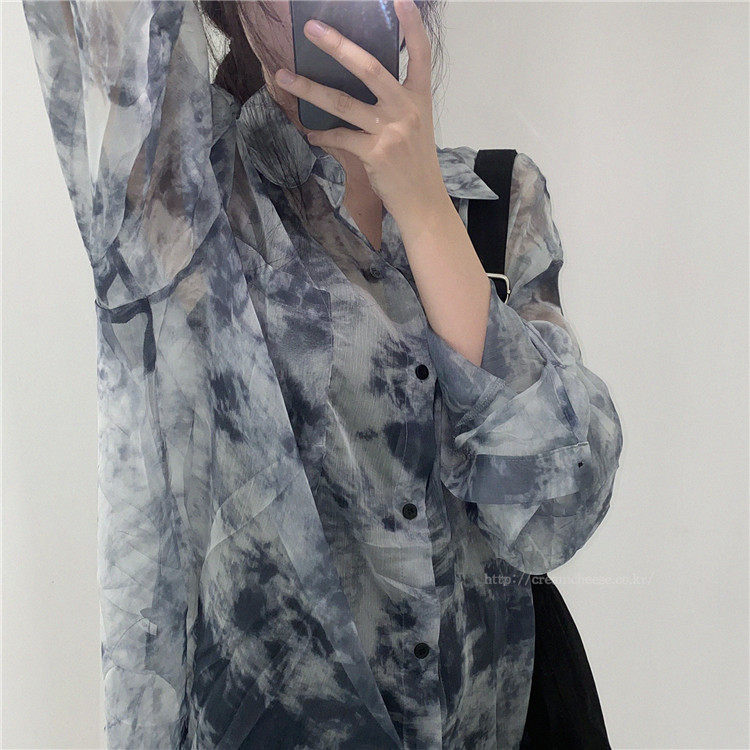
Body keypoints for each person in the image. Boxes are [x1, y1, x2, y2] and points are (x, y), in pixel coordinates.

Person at [22, 0, 623, 747]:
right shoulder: (182, 201)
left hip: (503, 709)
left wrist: (423, 206)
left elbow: (558, 512)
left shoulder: (499, 197)